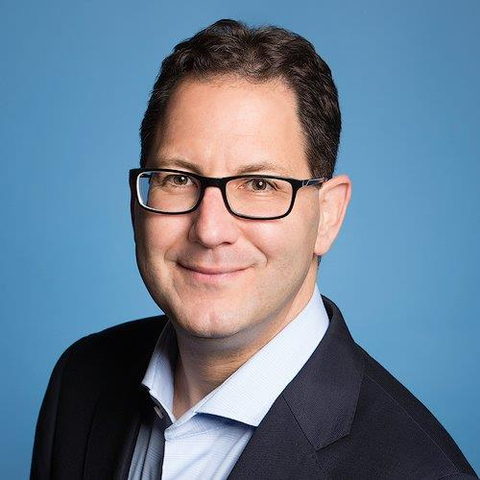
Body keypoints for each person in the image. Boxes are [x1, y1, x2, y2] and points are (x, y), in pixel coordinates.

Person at [31, 18, 477, 480]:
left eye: (259, 184)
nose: (210, 230)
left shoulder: (419, 470)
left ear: (328, 215)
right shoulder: (80, 381)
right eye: (179, 178)